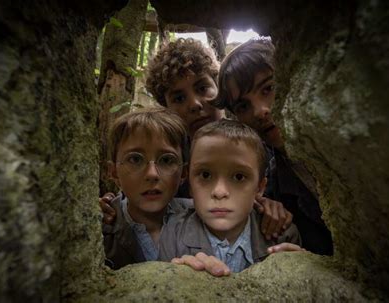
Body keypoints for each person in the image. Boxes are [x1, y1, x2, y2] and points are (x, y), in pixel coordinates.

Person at [101, 38, 293, 240]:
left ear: (218, 88)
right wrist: (110, 206)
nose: (194, 104)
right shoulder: (172, 163)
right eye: (179, 98)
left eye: (202, 88)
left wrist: (270, 206)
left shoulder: (262, 142)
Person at [214, 37, 333, 255]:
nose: (260, 111)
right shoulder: (272, 180)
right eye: (243, 105)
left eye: (268, 88)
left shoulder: (344, 145)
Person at [158, 120, 303, 275]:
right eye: (205, 175)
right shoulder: (173, 232)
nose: (219, 192)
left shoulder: (283, 235)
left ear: (259, 188)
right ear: (190, 185)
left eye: (239, 176)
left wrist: (301, 269)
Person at [102, 108, 191, 269]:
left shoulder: (203, 217)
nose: (152, 174)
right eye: (135, 159)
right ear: (113, 172)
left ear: (184, 172)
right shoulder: (100, 230)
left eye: (166, 160)